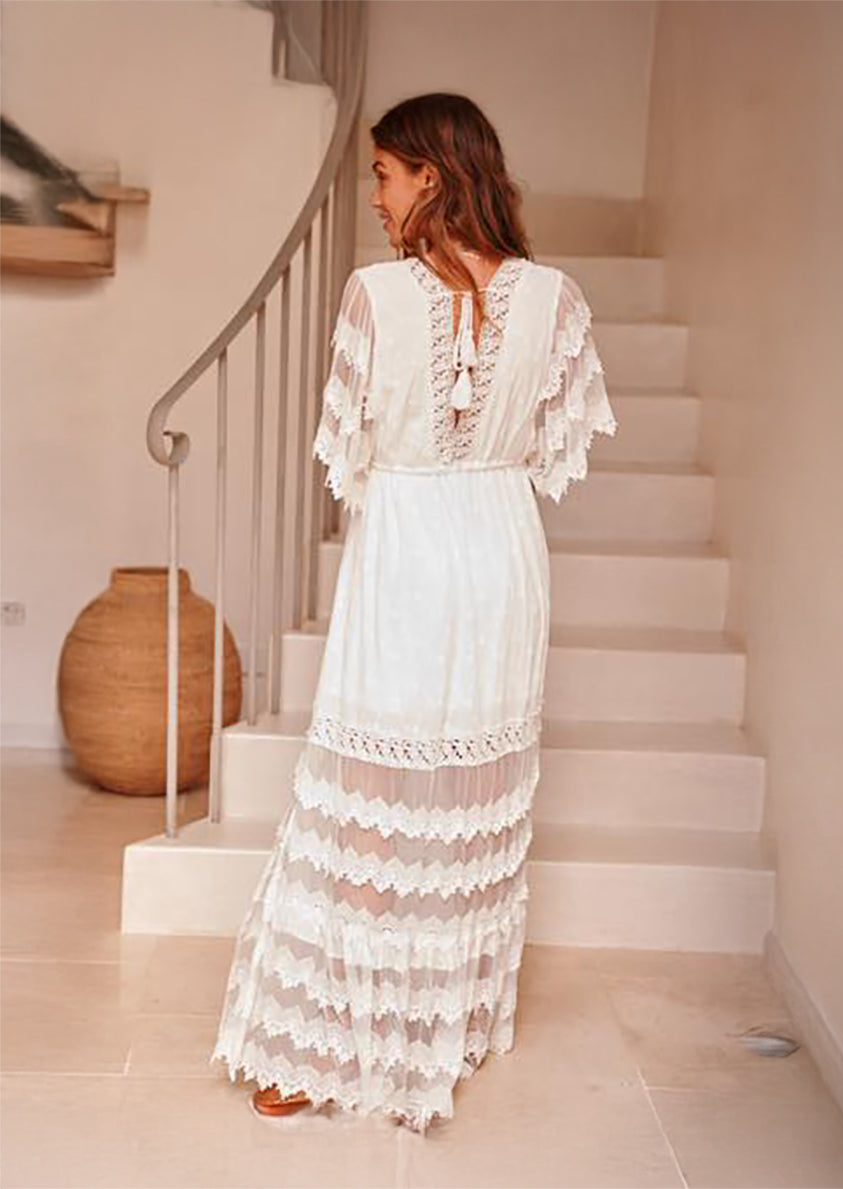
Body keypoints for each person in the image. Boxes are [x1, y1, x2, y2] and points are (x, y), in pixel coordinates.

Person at [209, 92, 618, 1134]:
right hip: (499, 555)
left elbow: (348, 457)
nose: (378, 201)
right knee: (426, 791)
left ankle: (336, 1042)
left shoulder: (373, 299)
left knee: (378, 795)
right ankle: (421, 1022)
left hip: (407, 554)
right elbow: (556, 450)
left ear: (430, 175)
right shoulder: (557, 299)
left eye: (384, 177)